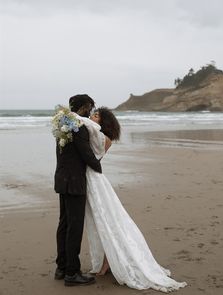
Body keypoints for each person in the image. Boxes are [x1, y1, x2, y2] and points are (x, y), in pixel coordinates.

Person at [80, 107, 187, 292]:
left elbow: (88, 136)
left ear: (104, 121)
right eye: (92, 114)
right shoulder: (94, 131)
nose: (91, 117)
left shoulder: (103, 138)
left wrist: (72, 118)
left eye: (96, 115)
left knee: (106, 222)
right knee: (98, 224)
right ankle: (106, 261)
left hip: (95, 182)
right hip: (90, 180)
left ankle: (108, 262)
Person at [54, 94, 102, 287]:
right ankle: (72, 273)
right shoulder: (78, 128)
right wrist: (99, 168)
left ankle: (62, 267)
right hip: (74, 183)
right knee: (74, 227)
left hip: (62, 179)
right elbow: (86, 153)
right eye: (89, 107)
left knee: (64, 224)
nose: (90, 111)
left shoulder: (62, 124)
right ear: (83, 107)